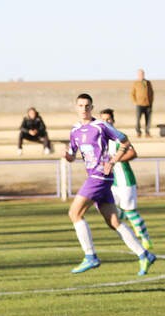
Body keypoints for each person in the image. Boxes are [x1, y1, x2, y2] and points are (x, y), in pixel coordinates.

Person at [64, 93, 156, 275]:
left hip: (99, 176)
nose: (84, 109)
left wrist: (113, 161)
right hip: (97, 177)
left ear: (92, 108)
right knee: (114, 221)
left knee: (74, 213)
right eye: (81, 106)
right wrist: (67, 156)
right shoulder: (74, 130)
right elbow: (72, 155)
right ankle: (144, 253)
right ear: (76, 107)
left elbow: (125, 141)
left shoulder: (100, 126)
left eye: (87, 106)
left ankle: (90, 256)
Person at [99, 108, 153, 250]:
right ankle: (133, 237)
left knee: (130, 211)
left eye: (108, 119)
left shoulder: (119, 137)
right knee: (110, 210)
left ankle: (145, 238)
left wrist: (115, 160)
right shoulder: (101, 140)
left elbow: (133, 153)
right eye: (103, 120)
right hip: (112, 182)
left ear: (113, 121)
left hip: (125, 180)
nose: (106, 122)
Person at [130, 69, 154, 138]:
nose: (141, 75)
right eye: (140, 74)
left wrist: (151, 101)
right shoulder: (136, 83)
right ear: (138, 75)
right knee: (138, 119)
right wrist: (135, 101)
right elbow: (132, 93)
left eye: (142, 74)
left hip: (148, 104)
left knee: (148, 119)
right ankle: (138, 132)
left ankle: (147, 132)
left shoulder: (148, 82)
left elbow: (152, 93)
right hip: (139, 104)